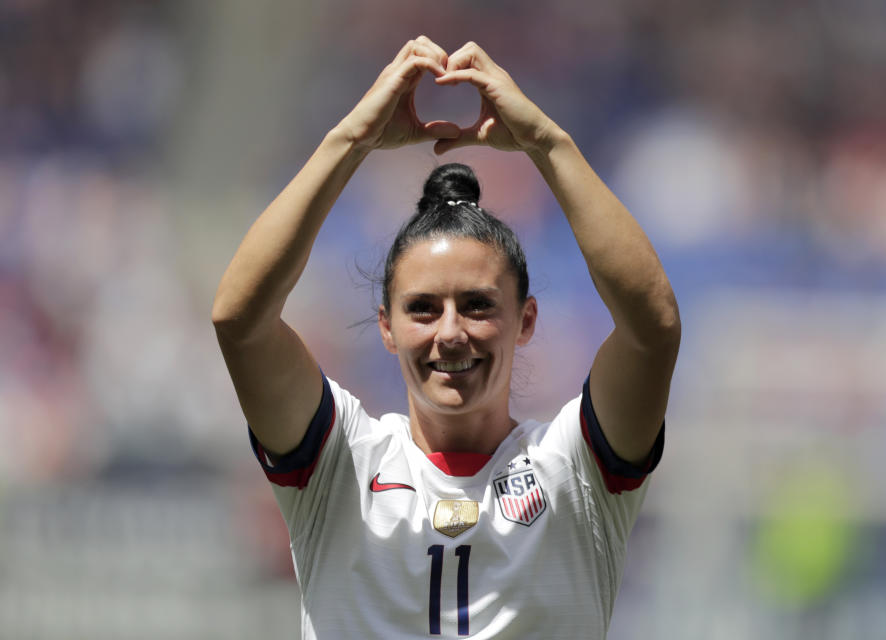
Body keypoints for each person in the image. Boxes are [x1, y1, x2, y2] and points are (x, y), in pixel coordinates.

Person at [213, 36, 680, 639]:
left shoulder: (575, 469)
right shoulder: (343, 465)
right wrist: (350, 141)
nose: (451, 333)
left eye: (479, 305)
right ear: (386, 326)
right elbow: (240, 320)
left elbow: (653, 325)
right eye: (423, 309)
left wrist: (547, 143)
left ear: (526, 320)